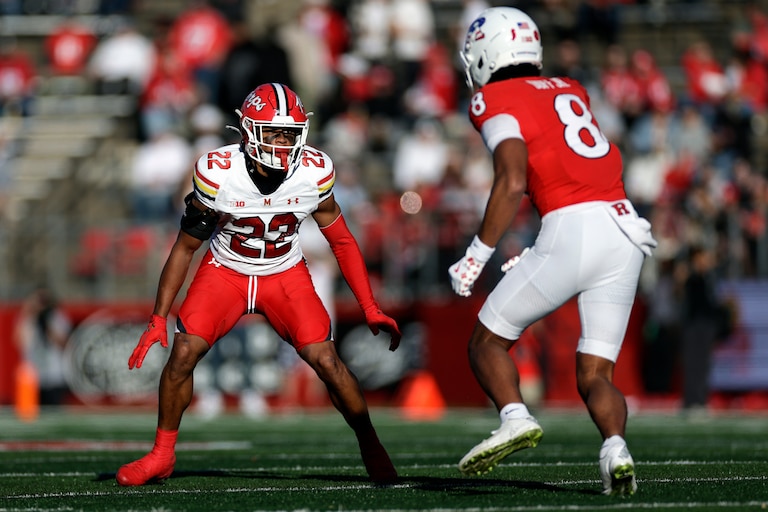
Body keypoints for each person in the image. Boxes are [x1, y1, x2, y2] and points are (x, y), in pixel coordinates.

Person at [116, 83, 402, 486]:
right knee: (182, 354)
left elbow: (341, 239)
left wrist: (370, 306)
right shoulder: (218, 173)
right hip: (226, 271)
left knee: (328, 362)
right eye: (274, 133)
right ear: (249, 131)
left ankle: (372, 446)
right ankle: (162, 454)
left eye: (290, 134)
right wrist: (157, 317)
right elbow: (184, 249)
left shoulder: (313, 172)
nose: (284, 144)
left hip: (284, 272)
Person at [449, 7, 657, 496]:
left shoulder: (492, 97)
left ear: (484, 53)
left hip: (574, 227)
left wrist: (477, 253)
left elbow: (513, 178)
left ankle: (515, 417)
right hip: (626, 228)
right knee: (596, 372)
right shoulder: (570, 87)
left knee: (485, 342)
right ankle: (615, 449)